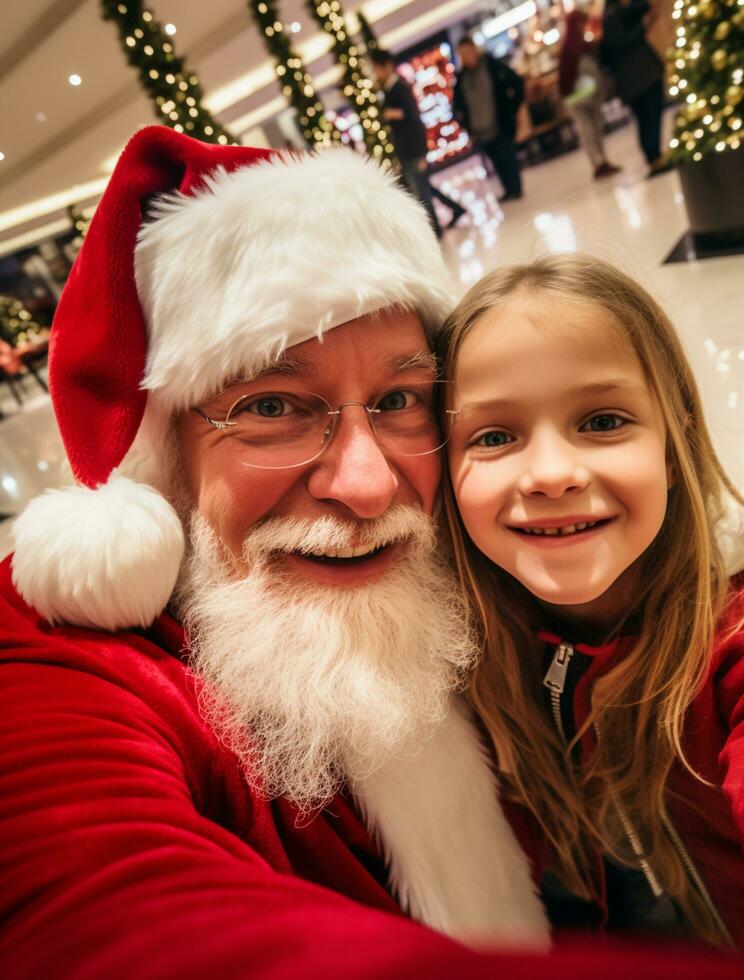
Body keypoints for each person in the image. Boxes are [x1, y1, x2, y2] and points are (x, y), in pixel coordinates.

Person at [438, 254, 744, 950]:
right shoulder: (457, 653)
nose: (551, 474)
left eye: (602, 421)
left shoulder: (730, 634)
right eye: (494, 436)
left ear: (675, 444)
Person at [369, 48, 467, 235]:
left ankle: (435, 231)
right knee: (424, 189)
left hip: (413, 151)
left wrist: (422, 151)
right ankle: (455, 209)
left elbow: (413, 118)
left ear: (386, 66)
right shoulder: (388, 89)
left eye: (376, 68)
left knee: (422, 194)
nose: (375, 73)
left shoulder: (400, 88)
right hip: (406, 152)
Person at [600, 0, 671, 177]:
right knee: (649, 116)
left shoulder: (619, 12)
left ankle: (654, 156)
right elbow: (621, 43)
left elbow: (641, 7)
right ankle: (653, 157)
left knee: (647, 118)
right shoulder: (612, 16)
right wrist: (643, 26)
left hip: (639, 76)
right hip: (639, 76)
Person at [453, 35, 525, 202]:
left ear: (474, 50)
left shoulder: (492, 66)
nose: (467, 57)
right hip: (480, 130)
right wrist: (466, 126)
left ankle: (516, 189)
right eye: (463, 55)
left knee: (508, 158)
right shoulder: (461, 79)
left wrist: (512, 108)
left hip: (500, 124)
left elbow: (517, 82)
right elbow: (457, 106)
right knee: (497, 162)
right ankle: (508, 189)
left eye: (469, 53)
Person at [558, 9, 621, 179]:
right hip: (577, 99)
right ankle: (598, 163)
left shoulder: (578, 44)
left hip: (584, 96)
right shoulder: (573, 47)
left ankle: (601, 161)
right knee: (588, 131)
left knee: (594, 130)